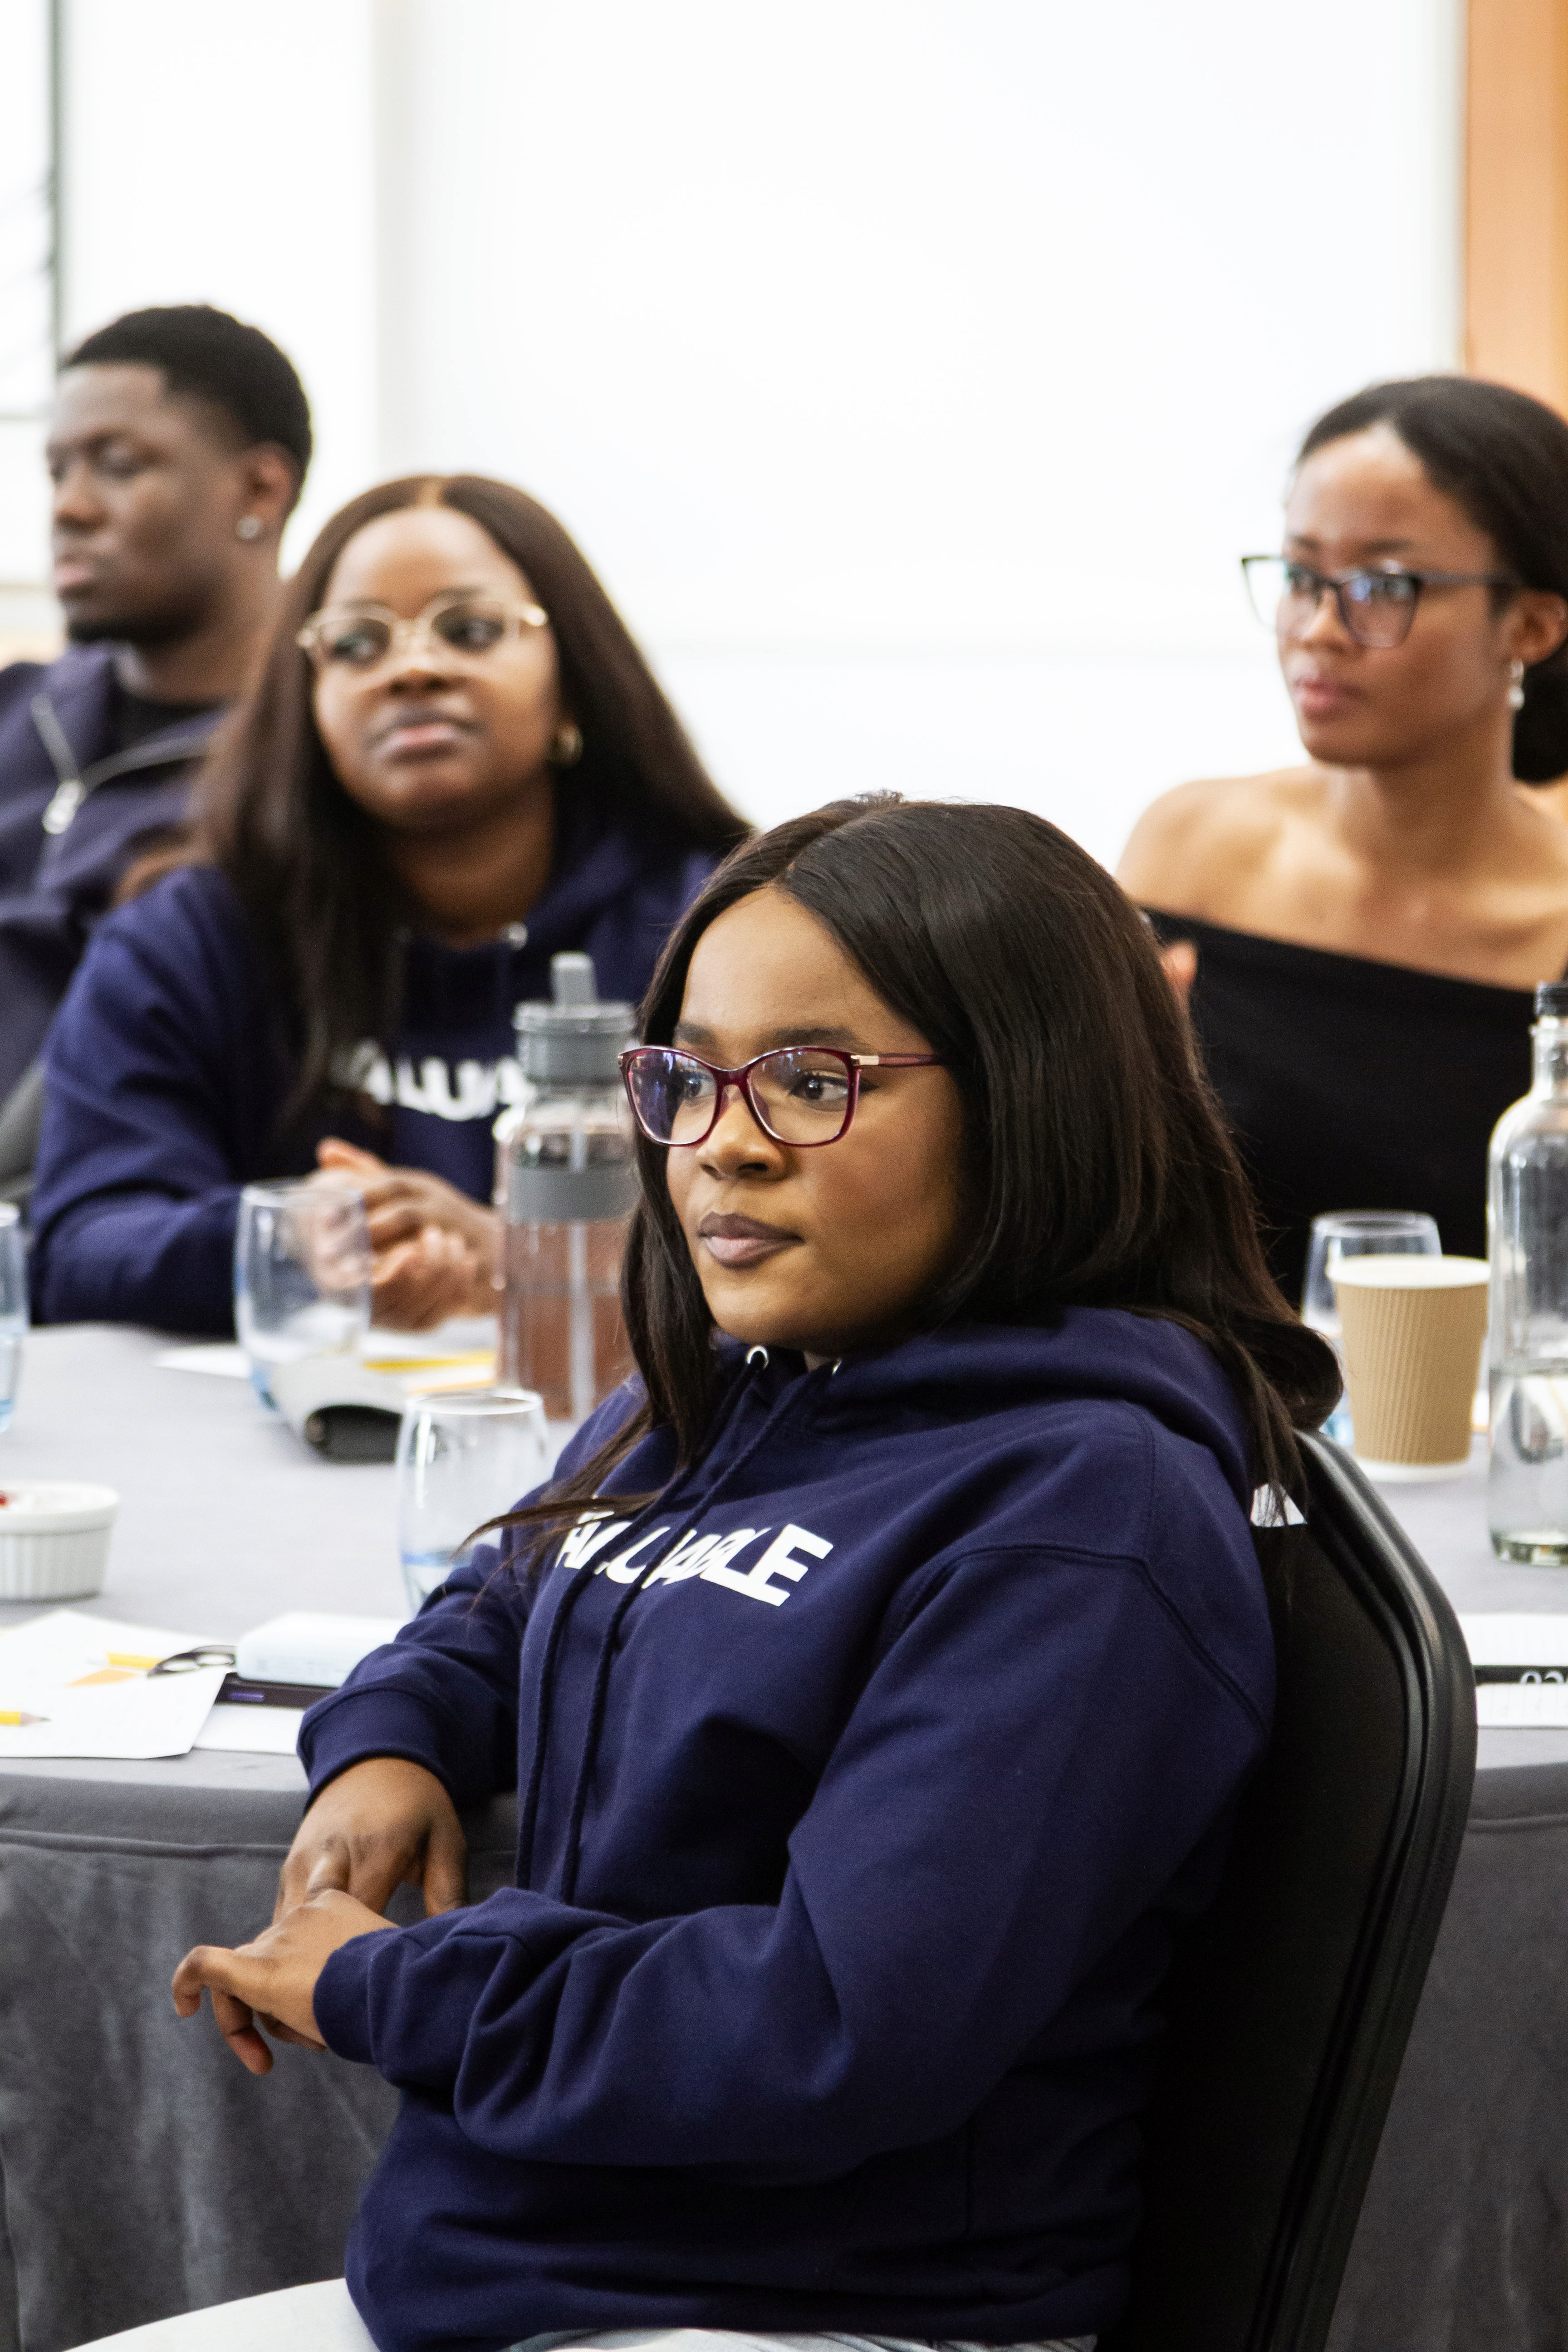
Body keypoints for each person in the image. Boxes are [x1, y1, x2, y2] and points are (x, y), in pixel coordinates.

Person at [170, 797, 1338, 2352]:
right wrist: (394, 1736)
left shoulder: (1082, 1511)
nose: (721, 1138)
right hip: (546, 2279)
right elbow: (515, 1585)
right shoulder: (729, 1381)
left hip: (822, 2311)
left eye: (808, 1080)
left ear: (1031, 1102)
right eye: (688, 1077)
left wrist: (397, 1984)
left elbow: (828, 2022)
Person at [28, 475, 746, 1333]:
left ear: (574, 685)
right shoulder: (190, 934)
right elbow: (79, 1244)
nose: (413, 668)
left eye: (471, 631)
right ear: (309, 698)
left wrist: (520, 1256)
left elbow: (818, 1223)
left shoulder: (715, 928)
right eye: (359, 644)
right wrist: (289, 1238)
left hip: (651, 1440)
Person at [1117, 375, 1568, 1299]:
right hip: (1198, 1406)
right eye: (1300, 577)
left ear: (1530, 624)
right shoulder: (1191, 847)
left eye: (1382, 586)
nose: (1319, 631)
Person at [0, 304, 311, 1147]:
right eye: (58, 470)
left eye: (118, 465)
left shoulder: (311, 761)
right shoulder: (16, 709)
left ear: (260, 490)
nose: (70, 507)